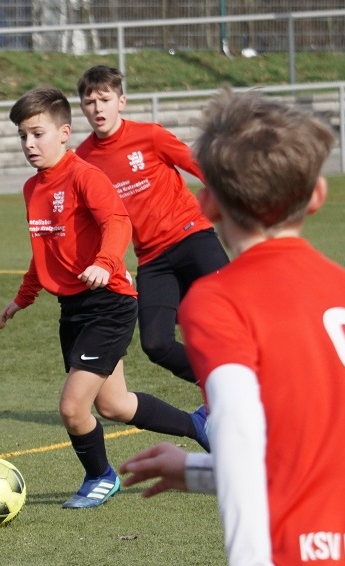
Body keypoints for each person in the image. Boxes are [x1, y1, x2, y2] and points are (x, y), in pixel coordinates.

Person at [119, 89, 345, 564]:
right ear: (317, 196)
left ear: (207, 204)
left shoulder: (218, 299)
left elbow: (241, 444)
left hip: (319, 546)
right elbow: (320, 451)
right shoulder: (342, 284)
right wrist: (199, 471)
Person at [0, 86, 209, 509]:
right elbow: (45, 248)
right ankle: (198, 425)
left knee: (72, 408)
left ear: (64, 133)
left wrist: (105, 262)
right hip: (73, 309)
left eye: (37, 134)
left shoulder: (85, 176)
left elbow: (117, 221)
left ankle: (100, 476)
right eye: (22, 136)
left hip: (109, 303)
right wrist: (24, 296)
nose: (29, 144)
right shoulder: (32, 188)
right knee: (114, 405)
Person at [74, 65, 229, 385]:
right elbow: (90, 219)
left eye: (105, 100)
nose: (98, 108)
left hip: (192, 236)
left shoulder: (150, 136)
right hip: (152, 258)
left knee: (234, 312)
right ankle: (218, 384)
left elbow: (200, 166)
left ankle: (276, 373)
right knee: (156, 343)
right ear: (82, 107)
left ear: (121, 102)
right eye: (90, 102)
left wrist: (235, 201)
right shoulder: (83, 159)